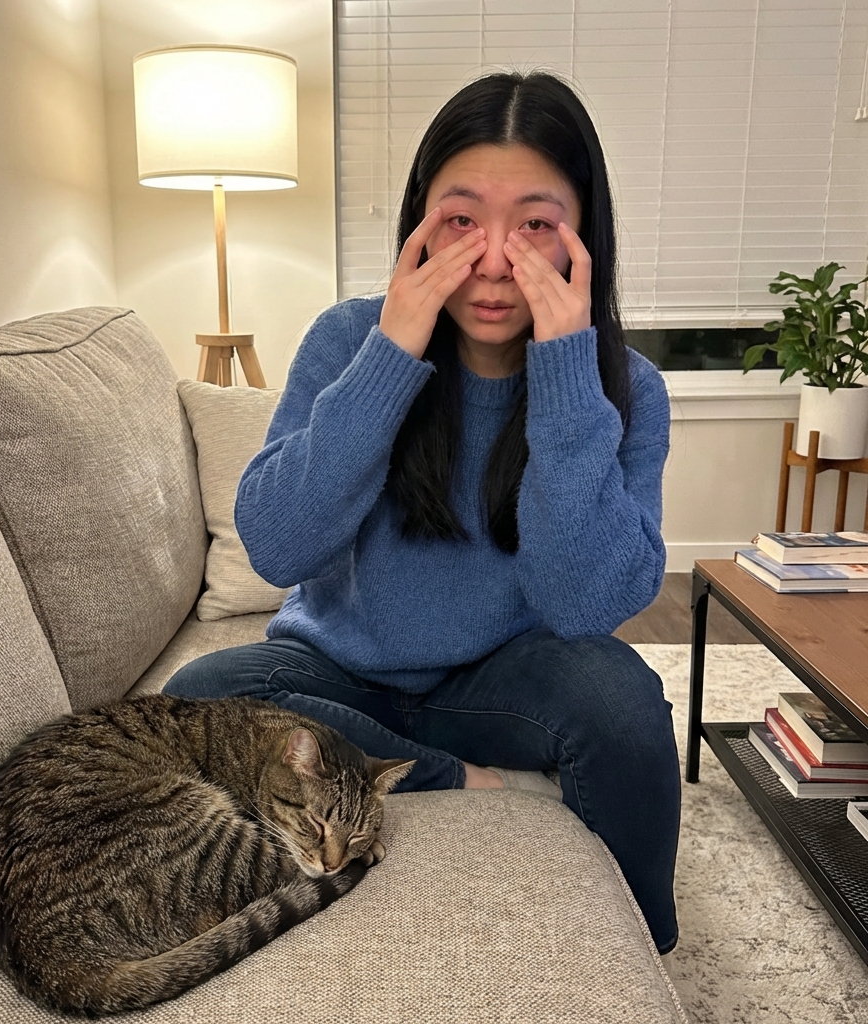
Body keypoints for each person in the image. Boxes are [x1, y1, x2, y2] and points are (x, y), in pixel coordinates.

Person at [164, 71, 680, 953]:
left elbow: (583, 607)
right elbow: (279, 546)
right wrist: (393, 354)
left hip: (501, 681)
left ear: (581, 236)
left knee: (626, 703)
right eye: (461, 219)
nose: (490, 260)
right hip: (336, 672)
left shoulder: (624, 386)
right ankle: (462, 782)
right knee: (198, 697)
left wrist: (563, 376)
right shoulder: (349, 338)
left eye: (535, 225)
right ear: (418, 224)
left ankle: (645, 951)